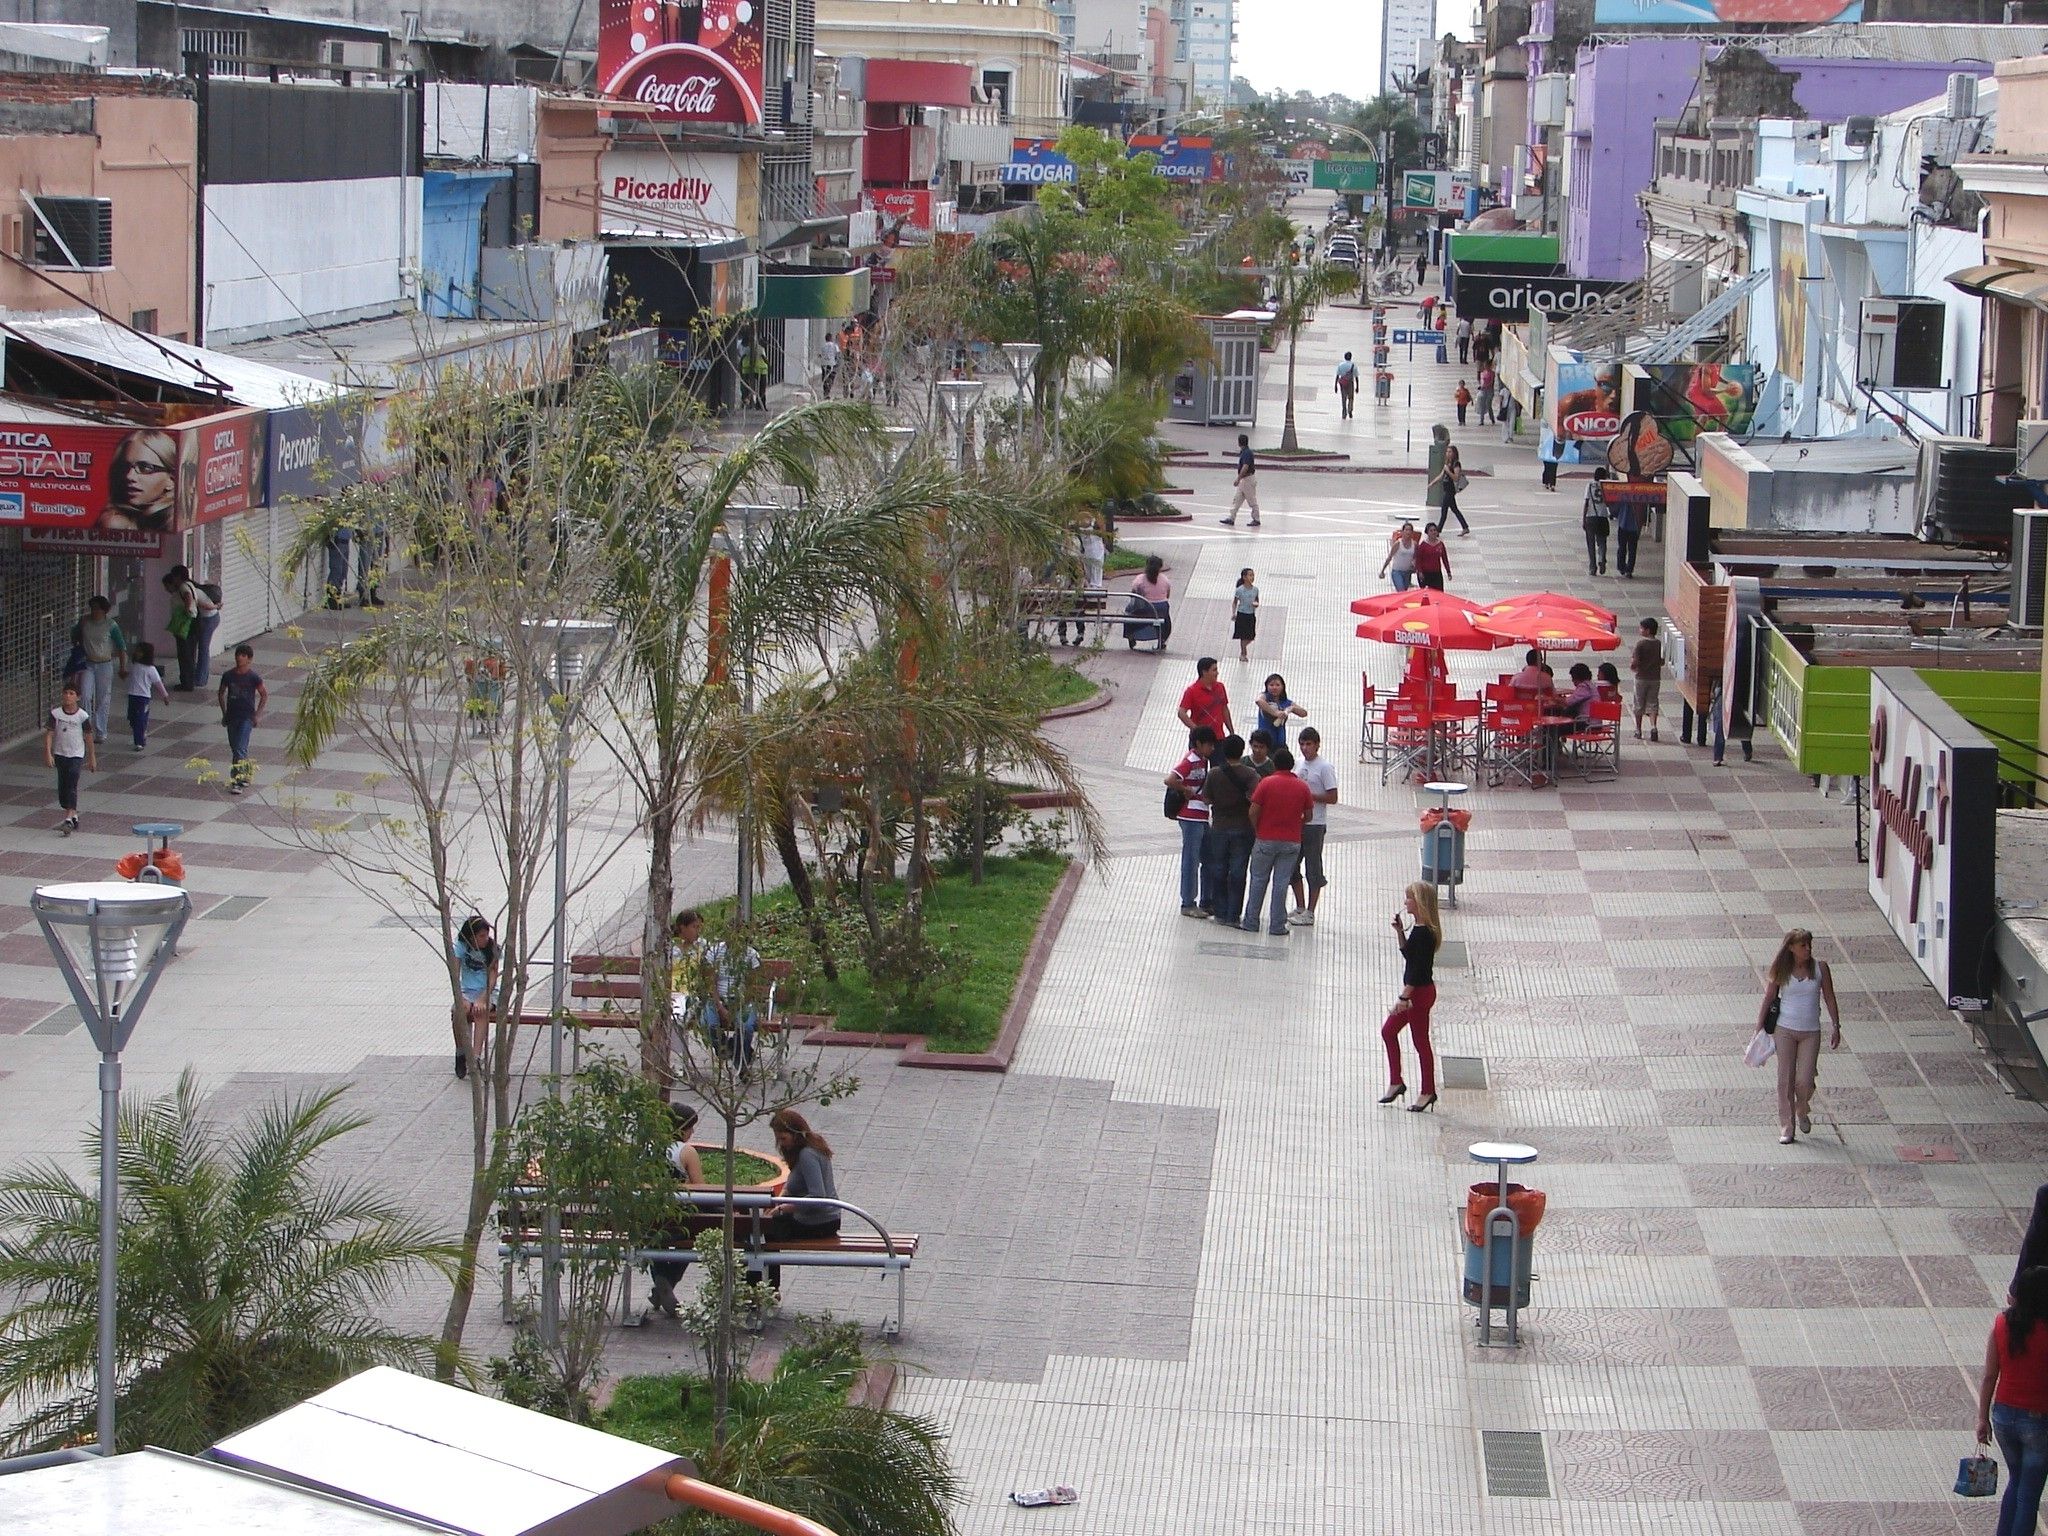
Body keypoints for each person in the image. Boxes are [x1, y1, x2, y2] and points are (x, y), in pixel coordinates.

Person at [1978, 1266, 2048, 1536]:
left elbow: (1988, 1376)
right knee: (2029, 1495)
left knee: (2016, 1481)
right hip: (2039, 1419)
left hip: (2004, 1416)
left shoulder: (2002, 1324)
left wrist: (1982, 1417)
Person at [1755, 928, 1842, 1144]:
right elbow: (1769, 997)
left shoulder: (1820, 968)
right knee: (1785, 1079)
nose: (1807, 949)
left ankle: (1802, 1109)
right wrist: (1759, 1027)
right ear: (1791, 948)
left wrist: (1835, 1025)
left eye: (1809, 945)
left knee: (1805, 1079)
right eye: (1803, 945)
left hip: (1810, 1032)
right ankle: (1787, 1126)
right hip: (1784, 1029)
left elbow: (1829, 997)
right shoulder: (1782, 970)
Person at [1379, 881, 1442, 1111]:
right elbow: (1411, 957)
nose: (1405, 902)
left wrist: (1404, 998)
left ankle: (1427, 1091)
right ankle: (1397, 1082)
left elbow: (1417, 971)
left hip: (1418, 993)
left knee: (1420, 1042)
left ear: (1419, 902)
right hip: (1418, 991)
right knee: (1389, 1032)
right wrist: (1400, 933)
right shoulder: (1419, 928)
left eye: (1409, 898)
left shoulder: (1424, 933)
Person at [672, 909, 762, 1067]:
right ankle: (731, 1052)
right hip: (715, 1000)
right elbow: (710, 983)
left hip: (740, 1002)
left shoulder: (751, 955)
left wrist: (737, 1008)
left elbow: (751, 987)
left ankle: (738, 1061)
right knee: (708, 1023)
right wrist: (720, 1007)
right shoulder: (715, 951)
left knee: (746, 1027)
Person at [764, 1109, 840, 1292]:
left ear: (795, 1134)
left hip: (818, 1221)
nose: (780, 1143)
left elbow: (818, 1196)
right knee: (763, 1229)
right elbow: (793, 1185)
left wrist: (783, 1209)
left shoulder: (807, 1155)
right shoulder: (810, 1148)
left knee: (762, 1234)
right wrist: (778, 1202)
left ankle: (766, 1288)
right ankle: (768, 1288)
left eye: (783, 1138)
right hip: (822, 1218)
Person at [1242, 747, 1313, 937]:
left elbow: (1253, 811)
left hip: (1265, 838)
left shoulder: (1266, 783)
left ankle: (1251, 922)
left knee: (1258, 880)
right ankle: (1276, 925)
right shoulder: (1302, 787)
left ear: (1274, 764)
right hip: (1291, 841)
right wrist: (1296, 824)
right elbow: (1309, 815)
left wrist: (1258, 829)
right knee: (1281, 883)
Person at [647, 1102, 707, 1318]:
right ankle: (667, 1281)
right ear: (683, 1129)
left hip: (648, 1219)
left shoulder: (647, 1147)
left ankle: (661, 1283)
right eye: (691, 1128)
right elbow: (701, 1190)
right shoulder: (686, 1152)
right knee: (696, 1237)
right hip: (682, 1221)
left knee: (652, 1237)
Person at [1202, 734, 1259, 926]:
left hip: (1219, 827)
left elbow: (1207, 799)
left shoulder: (1214, 773)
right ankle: (1234, 914)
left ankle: (1220, 912)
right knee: (1238, 871)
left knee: (1218, 868)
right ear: (1242, 751)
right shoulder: (1251, 775)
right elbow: (1255, 800)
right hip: (1243, 828)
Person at [1287, 728, 1338, 927]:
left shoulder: (1324, 767)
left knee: (1313, 869)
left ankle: (1311, 910)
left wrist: (1309, 796)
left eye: (1309, 744)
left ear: (1317, 744)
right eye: (1302, 744)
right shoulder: (1298, 765)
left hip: (1315, 824)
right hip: (1297, 823)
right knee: (1292, 865)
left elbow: (1332, 797)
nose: (1305, 748)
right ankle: (1300, 906)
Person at [1166, 726, 1216, 916]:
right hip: (1190, 816)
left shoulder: (1203, 761)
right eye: (1209, 744)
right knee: (1191, 860)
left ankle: (1206, 899)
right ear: (1199, 744)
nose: (1212, 748)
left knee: (1207, 859)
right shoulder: (1190, 760)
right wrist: (1185, 790)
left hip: (1202, 816)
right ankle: (1188, 903)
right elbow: (1170, 779)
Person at [71, 596, 126, 743]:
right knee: (85, 695)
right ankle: (86, 728)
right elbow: (74, 635)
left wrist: (122, 667)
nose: (94, 611)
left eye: (97, 608)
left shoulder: (111, 625)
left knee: (102, 698)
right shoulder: (85, 622)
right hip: (88, 664)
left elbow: (121, 646)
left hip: (104, 664)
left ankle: (101, 731)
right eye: (92, 608)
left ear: (104, 610)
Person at [102, 428, 179, 532]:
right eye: (124, 467)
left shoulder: (175, 522)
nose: (129, 476)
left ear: (172, 479)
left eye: (145, 468)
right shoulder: (114, 522)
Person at [44, 681, 94, 834]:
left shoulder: (82, 716)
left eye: (72, 693)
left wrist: (92, 757)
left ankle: (67, 819)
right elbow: (50, 734)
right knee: (63, 788)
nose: (68, 696)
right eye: (66, 693)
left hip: (76, 756)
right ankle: (73, 815)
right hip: (60, 754)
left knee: (72, 784)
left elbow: (88, 736)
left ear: (77, 697)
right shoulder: (56, 714)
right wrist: (48, 753)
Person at [217, 643, 267, 794]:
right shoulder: (228, 675)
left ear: (249, 659)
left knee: (239, 749)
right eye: (238, 655)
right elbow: (221, 693)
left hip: (247, 717)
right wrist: (224, 713)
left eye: (243, 656)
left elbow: (264, 694)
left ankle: (236, 781)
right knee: (236, 748)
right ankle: (245, 774)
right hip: (232, 716)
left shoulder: (253, 677)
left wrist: (257, 715)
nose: (240, 658)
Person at [451, 914, 496, 1079]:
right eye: (481, 936)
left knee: (480, 1011)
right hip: (466, 991)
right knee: (459, 1010)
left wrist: (483, 998)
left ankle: (475, 1058)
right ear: (471, 937)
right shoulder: (461, 947)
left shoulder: (491, 948)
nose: (485, 939)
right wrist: (460, 997)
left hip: (486, 991)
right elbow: (455, 974)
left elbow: (493, 976)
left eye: (486, 935)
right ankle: (461, 1052)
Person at [161, 565, 220, 690]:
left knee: (190, 652)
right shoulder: (190, 585)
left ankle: (193, 680)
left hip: (200, 620)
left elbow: (190, 598)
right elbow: (198, 602)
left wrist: (187, 610)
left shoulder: (184, 587)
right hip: (200, 619)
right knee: (191, 651)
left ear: (177, 577)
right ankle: (193, 679)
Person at [124, 640, 170, 751]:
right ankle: (140, 731)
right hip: (132, 695)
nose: (136, 653)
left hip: (143, 697)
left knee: (140, 718)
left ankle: (139, 741)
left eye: (139, 651)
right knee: (132, 717)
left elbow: (158, 683)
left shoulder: (151, 669)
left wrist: (165, 695)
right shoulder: (134, 665)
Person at [1178, 656, 1232, 741]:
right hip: (1200, 742)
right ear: (1204, 672)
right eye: (1214, 670)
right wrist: (1196, 730)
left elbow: (1224, 709)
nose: (1217, 673)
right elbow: (1181, 713)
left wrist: (1231, 731)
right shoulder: (1192, 691)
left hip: (1219, 738)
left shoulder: (1220, 687)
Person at [1126, 554, 1172, 652]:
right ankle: (1162, 639)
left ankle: (1130, 635)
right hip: (1161, 609)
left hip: (1145, 609)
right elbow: (1167, 595)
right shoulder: (1165, 579)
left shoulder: (1140, 579)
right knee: (1166, 616)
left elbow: (1134, 593)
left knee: (1128, 611)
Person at [1253, 672, 1306, 753]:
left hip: (1280, 745)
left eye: (1277, 685)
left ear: (1282, 687)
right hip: (1264, 745)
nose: (1274, 687)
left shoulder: (1286, 702)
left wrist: (1292, 709)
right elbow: (1258, 701)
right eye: (1271, 685)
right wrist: (1276, 713)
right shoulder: (1265, 697)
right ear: (1267, 686)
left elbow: (1303, 713)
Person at [1221, 433, 1261, 528]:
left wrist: (1238, 478)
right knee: (1237, 499)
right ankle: (1231, 518)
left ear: (1239, 442)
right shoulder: (1244, 452)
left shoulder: (1247, 453)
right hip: (1244, 480)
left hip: (1248, 479)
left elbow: (1245, 467)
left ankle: (1256, 519)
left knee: (1251, 500)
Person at [1428, 445, 1470, 536]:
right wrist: (1432, 483)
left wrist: (1448, 471)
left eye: (1450, 452)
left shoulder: (1456, 464)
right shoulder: (1448, 463)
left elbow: (1456, 478)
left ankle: (1438, 530)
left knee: (1444, 510)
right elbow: (1441, 475)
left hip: (1450, 490)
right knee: (1454, 509)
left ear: (1454, 453)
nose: (1448, 453)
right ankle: (1465, 527)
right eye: (1447, 452)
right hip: (1446, 489)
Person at [1582, 467, 1611, 577]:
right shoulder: (1606, 487)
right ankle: (1602, 557)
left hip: (1591, 517)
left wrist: (1584, 518)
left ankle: (1592, 567)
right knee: (1602, 541)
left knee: (1591, 544)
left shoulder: (1589, 486)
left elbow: (1586, 503)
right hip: (1603, 516)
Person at [1613, 486, 1646, 578]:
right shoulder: (1640, 496)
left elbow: (1616, 508)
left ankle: (1621, 567)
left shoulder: (1623, 494)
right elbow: (1642, 512)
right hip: (1634, 527)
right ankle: (1629, 570)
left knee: (1622, 548)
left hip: (1623, 524)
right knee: (1632, 550)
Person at [1380, 521, 1420, 591]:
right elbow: (1390, 557)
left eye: (1410, 530)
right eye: (1406, 530)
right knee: (1401, 590)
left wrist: (1415, 567)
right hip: (1397, 571)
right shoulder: (1398, 543)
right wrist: (1383, 570)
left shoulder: (1414, 544)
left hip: (1407, 572)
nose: (1408, 532)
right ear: (1402, 532)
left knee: (1404, 591)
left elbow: (1415, 557)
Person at [1412, 523, 1452, 590]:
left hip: (1437, 573)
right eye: (1431, 530)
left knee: (1439, 593)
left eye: (1434, 530)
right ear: (1427, 533)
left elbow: (1444, 558)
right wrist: (1420, 572)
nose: (1433, 532)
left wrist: (1448, 571)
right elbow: (1418, 559)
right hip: (1425, 574)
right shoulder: (1423, 545)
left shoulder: (1440, 544)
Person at [1232, 568, 1260, 662]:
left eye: (1253, 575)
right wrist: (1233, 613)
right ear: (1244, 577)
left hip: (1251, 615)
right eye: (1250, 575)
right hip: (1242, 614)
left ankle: (1243, 649)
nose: (1252, 577)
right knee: (1243, 635)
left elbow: (1257, 601)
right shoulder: (1239, 590)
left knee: (1251, 636)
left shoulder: (1255, 590)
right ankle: (1243, 653)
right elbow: (1235, 602)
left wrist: (1256, 604)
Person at [324, 524, 355, 608]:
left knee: (343, 572)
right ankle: (331, 599)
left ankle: (338, 596)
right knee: (336, 570)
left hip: (345, 541)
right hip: (337, 541)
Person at [1335, 351, 1359, 420]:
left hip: (1342, 384)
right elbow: (1356, 377)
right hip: (1350, 383)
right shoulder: (1353, 366)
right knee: (1351, 398)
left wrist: (1335, 385)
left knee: (1343, 398)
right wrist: (1357, 387)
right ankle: (1350, 410)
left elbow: (1337, 375)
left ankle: (1344, 412)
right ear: (1351, 357)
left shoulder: (1341, 365)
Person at [819, 332, 840, 397]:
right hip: (832, 364)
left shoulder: (823, 345)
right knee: (831, 378)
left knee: (824, 378)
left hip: (824, 364)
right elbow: (838, 354)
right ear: (831, 338)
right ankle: (828, 391)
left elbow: (820, 355)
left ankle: (825, 392)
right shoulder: (834, 345)